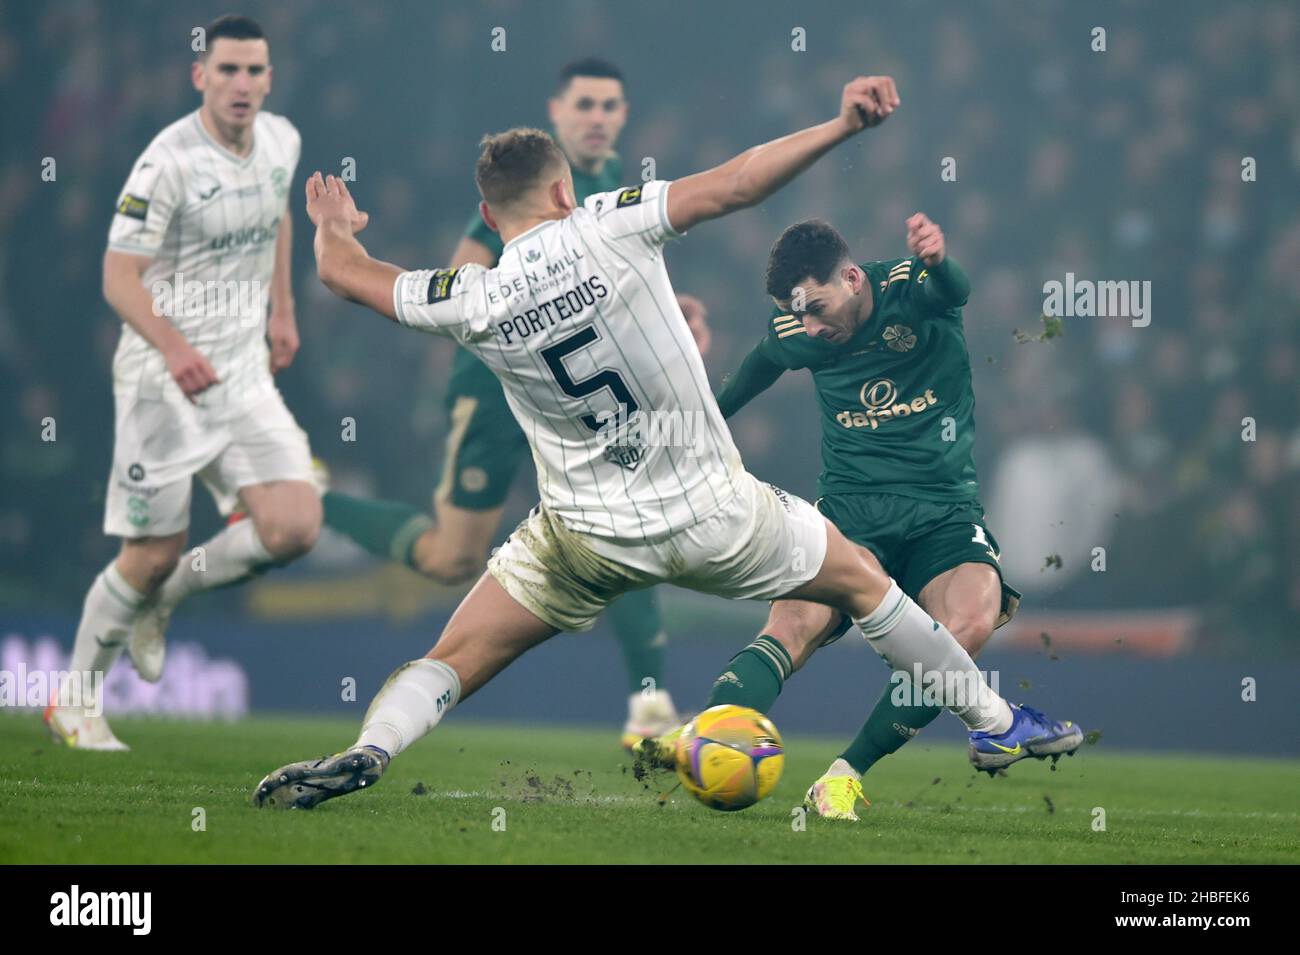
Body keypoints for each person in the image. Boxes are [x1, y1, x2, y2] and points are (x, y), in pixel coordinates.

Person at [252, 75, 1075, 812]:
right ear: (566, 190)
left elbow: (344, 274)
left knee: (454, 655)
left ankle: (372, 746)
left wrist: (334, 226)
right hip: (715, 513)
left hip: (582, 535)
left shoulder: (471, 297)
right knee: (864, 584)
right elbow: (740, 182)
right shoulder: (608, 224)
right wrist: (839, 127)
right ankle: (996, 721)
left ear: (487, 208)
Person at [319, 59, 710, 747]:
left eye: (610, 105)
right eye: (584, 104)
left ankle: (649, 705)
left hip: (577, 395)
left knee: (627, 505)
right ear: (556, 114)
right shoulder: (530, 187)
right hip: (502, 390)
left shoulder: (612, 189)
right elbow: (464, 283)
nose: (598, 116)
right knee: (449, 559)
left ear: (623, 117)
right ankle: (314, 499)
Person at [644, 215, 1078, 822]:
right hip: (851, 514)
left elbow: (954, 289)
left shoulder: (910, 290)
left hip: (943, 512)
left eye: (820, 308)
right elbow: (749, 377)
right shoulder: (801, 327)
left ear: (852, 278)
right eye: (800, 315)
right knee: (794, 624)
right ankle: (710, 733)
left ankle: (843, 776)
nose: (812, 327)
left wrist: (939, 258)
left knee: (972, 620)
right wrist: (686, 433)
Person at [46, 15, 320, 750]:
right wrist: (171, 348)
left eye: (254, 71)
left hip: (241, 369)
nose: (242, 84)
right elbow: (117, 274)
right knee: (150, 550)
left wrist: (283, 309)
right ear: (199, 75)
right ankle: (74, 701)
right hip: (161, 379)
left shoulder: (282, 140)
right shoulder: (165, 162)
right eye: (227, 70)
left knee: (295, 524)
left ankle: (165, 598)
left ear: (270, 77)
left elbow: (278, 217)